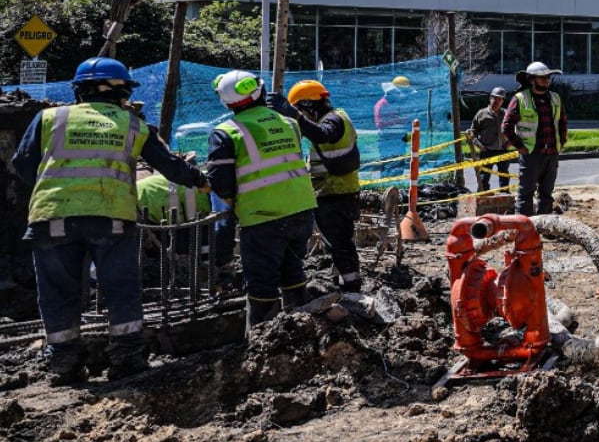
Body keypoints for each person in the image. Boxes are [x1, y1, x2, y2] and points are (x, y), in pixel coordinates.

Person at [9, 57, 207, 382]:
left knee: (59, 291)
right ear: (122, 94)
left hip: (52, 215)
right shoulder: (132, 124)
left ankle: (64, 362)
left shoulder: (48, 118)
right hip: (111, 218)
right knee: (121, 289)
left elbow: (23, 163)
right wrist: (201, 181)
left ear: (79, 91)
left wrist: (57, 188)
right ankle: (126, 357)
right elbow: (169, 165)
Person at [204, 70, 320, 327]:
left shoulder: (226, 133)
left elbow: (220, 184)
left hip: (263, 217)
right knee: (292, 269)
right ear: (261, 92)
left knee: (261, 282)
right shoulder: (289, 123)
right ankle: (300, 323)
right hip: (301, 209)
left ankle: (260, 337)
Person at [283, 79, 364, 294]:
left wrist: (296, 117)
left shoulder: (333, 120)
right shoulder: (337, 117)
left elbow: (322, 134)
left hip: (334, 193)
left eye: (301, 109)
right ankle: (343, 283)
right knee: (338, 243)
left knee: (340, 244)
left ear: (308, 105)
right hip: (339, 191)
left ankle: (352, 289)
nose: (303, 115)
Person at [504, 61, 567, 215]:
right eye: (542, 77)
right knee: (526, 194)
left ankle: (543, 226)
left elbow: (562, 122)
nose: (547, 80)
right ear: (532, 79)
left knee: (546, 194)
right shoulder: (520, 99)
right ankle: (523, 230)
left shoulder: (555, 98)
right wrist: (521, 147)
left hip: (551, 153)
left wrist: (562, 141)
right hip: (531, 154)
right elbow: (506, 126)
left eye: (548, 77)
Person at [468, 87, 510, 192]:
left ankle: (505, 196)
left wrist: (510, 142)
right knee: (483, 177)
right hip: (486, 150)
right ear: (490, 98)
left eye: (499, 99)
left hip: (502, 150)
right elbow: (472, 132)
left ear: (502, 101)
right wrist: (479, 145)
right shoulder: (481, 114)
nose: (496, 101)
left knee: (504, 175)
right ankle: (483, 196)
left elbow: (515, 130)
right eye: (494, 98)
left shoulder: (506, 114)